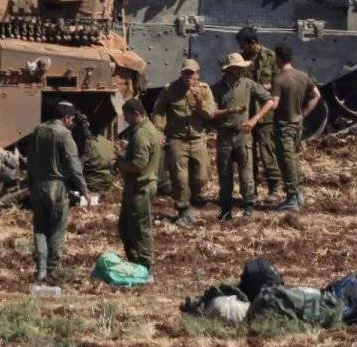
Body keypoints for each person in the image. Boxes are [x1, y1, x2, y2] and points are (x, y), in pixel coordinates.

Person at [150, 58, 222, 228]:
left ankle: (196, 196)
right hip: (177, 139)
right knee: (180, 178)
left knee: (201, 176)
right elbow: (159, 112)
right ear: (181, 74)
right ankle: (183, 210)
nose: (189, 76)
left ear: (198, 74)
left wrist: (199, 104)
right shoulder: (170, 90)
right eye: (186, 73)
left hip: (197, 139)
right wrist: (159, 131)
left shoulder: (204, 90)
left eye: (192, 73)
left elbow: (210, 114)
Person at [210, 53, 277, 220]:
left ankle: (248, 206)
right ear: (229, 69)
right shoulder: (217, 88)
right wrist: (228, 112)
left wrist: (254, 119)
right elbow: (211, 112)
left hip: (243, 135)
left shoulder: (248, 84)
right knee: (224, 174)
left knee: (246, 173)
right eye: (238, 67)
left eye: (242, 67)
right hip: (224, 136)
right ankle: (226, 209)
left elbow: (269, 101)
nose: (241, 70)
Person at [27, 100, 87, 283]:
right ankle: (52, 269)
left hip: (38, 184)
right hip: (56, 186)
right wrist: (84, 189)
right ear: (66, 117)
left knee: (40, 228)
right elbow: (74, 165)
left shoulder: (38, 131)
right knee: (57, 228)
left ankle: (41, 268)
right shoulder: (64, 135)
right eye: (72, 118)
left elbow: (30, 159)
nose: (72, 122)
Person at [271, 44, 321, 212]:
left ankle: (292, 197)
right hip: (298, 125)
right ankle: (297, 194)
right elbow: (316, 96)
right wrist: (304, 113)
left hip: (283, 127)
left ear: (278, 58)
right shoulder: (302, 76)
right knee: (293, 160)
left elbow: (275, 103)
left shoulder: (278, 78)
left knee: (287, 162)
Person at [115, 97, 161, 270]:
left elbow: (139, 165)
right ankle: (135, 261)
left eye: (126, 116)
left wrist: (119, 164)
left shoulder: (142, 134)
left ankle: (144, 265)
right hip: (136, 187)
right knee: (126, 228)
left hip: (140, 187)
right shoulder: (145, 129)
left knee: (140, 230)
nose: (125, 120)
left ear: (136, 114)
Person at [236, 27, 282, 198]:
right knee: (248, 154)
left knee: (267, 150)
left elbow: (279, 82)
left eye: (244, 45)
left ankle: (273, 188)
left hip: (265, 113)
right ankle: (251, 189)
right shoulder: (241, 60)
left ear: (253, 43)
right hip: (247, 112)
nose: (241, 49)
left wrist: (260, 88)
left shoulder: (271, 57)